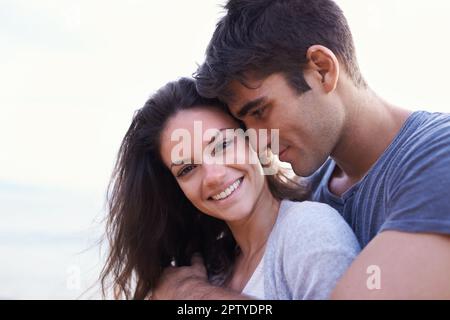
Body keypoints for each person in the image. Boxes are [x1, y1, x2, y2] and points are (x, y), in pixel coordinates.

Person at [154, 0, 450, 299]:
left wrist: (194, 296)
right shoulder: (313, 190)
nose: (257, 140)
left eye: (260, 112)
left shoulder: (440, 157)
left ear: (322, 69)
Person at [100, 78, 360, 299]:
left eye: (223, 145)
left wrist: (195, 295)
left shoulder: (308, 231)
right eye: (187, 169)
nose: (213, 175)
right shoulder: (210, 268)